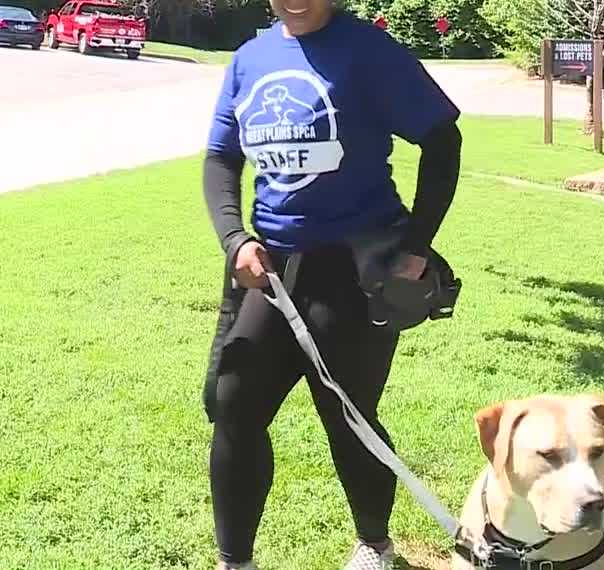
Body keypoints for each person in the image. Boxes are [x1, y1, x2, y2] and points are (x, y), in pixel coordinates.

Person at [200, 0, 463, 567]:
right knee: (233, 406)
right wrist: (234, 238)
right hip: (268, 270)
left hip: (354, 270)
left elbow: (443, 140)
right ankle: (234, 559)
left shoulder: (370, 52)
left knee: (347, 412)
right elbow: (221, 158)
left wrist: (416, 245)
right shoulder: (251, 59)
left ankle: (374, 544)